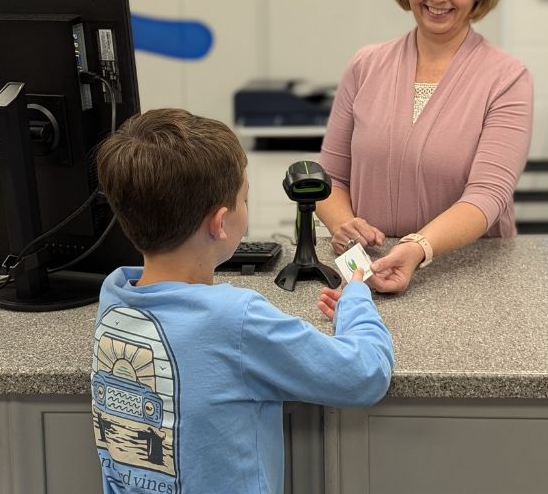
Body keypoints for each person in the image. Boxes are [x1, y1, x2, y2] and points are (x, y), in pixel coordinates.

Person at [92, 108, 394, 494]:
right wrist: (357, 300)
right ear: (220, 223)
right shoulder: (236, 320)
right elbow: (362, 376)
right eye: (244, 199)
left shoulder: (114, 299)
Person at [317, 0, 533, 294]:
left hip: (470, 277)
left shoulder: (506, 78)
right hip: (368, 271)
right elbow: (331, 178)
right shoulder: (365, 65)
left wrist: (418, 248)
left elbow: (488, 196)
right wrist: (343, 230)